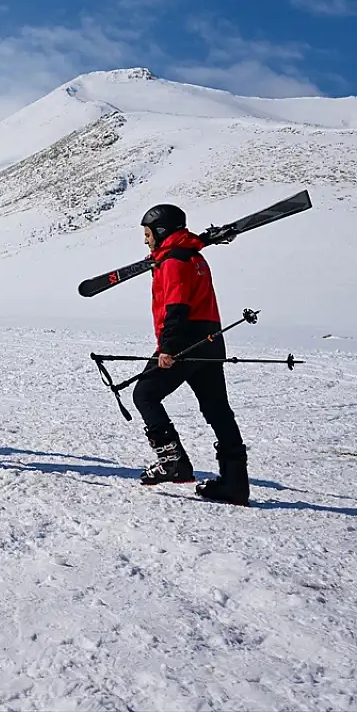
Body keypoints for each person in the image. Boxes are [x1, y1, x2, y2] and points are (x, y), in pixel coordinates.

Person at [133, 203, 249, 505]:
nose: (145, 240)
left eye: (148, 234)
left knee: (144, 394)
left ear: (161, 232)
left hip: (185, 341)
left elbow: (176, 306)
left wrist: (168, 348)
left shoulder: (174, 262)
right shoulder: (193, 257)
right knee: (217, 409)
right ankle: (235, 483)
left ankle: (173, 462)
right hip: (210, 339)